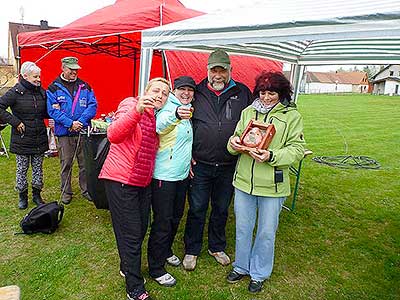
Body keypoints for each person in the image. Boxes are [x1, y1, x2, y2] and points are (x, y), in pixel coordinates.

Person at [226, 71, 305, 293]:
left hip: (273, 185)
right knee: (242, 228)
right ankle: (241, 266)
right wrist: (233, 143)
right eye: (263, 92)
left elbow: (297, 149)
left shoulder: (292, 116)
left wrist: (272, 156)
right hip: (243, 182)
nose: (267, 97)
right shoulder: (247, 112)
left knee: (266, 232)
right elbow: (235, 142)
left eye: (272, 93)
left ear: (281, 93)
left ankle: (258, 273)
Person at [99, 77, 170, 300]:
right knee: (130, 234)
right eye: (156, 90)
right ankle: (134, 287)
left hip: (142, 181)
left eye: (165, 93)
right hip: (121, 179)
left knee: (141, 228)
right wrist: (137, 109)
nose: (160, 95)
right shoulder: (131, 104)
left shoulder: (156, 116)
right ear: (146, 91)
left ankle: (126, 265)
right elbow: (114, 134)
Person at [182, 49, 253, 271]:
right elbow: (184, 124)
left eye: (223, 70)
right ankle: (192, 249)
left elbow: (256, 116)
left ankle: (216, 246)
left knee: (221, 208)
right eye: (215, 70)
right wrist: (188, 156)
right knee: (197, 208)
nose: (218, 75)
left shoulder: (242, 92)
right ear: (208, 70)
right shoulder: (198, 91)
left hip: (228, 164)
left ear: (230, 69)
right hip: (201, 163)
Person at [147, 76, 195, 286]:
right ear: (174, 91)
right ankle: (156, 268)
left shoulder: (188, 108)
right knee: (162, 222)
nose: (186, 93)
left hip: (181, 175)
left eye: (190, 90)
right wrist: (176, 114)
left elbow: (182, 141)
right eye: (182, 89)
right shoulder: (169, 108)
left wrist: (189, 160)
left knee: (176, 217)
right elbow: (160, 125)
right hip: (164, 177)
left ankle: (165, 250)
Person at [47, 57, 97, 204]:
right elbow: (52, 111)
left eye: (76, 69)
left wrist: (80, 122)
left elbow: (92, 105)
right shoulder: (53, 88)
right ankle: (66, 192)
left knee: (84, 163)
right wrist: (70, 123)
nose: (74, 72)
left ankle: (86, 190)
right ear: (63, 68)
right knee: (66, 162)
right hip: (64, 133)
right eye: (71, 69)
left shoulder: (85, 86)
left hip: (82, 131)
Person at [0, 62, 48, 209]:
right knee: (22, 169)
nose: (38, 79)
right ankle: (22, 196)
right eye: (35, 76)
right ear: (25, 76)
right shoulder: (15, 92)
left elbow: (44, 112)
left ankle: (37, 195)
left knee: (38, 168)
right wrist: (15, 122)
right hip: (22, 138)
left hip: (39, 135)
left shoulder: (42, 92)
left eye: (39, 76)